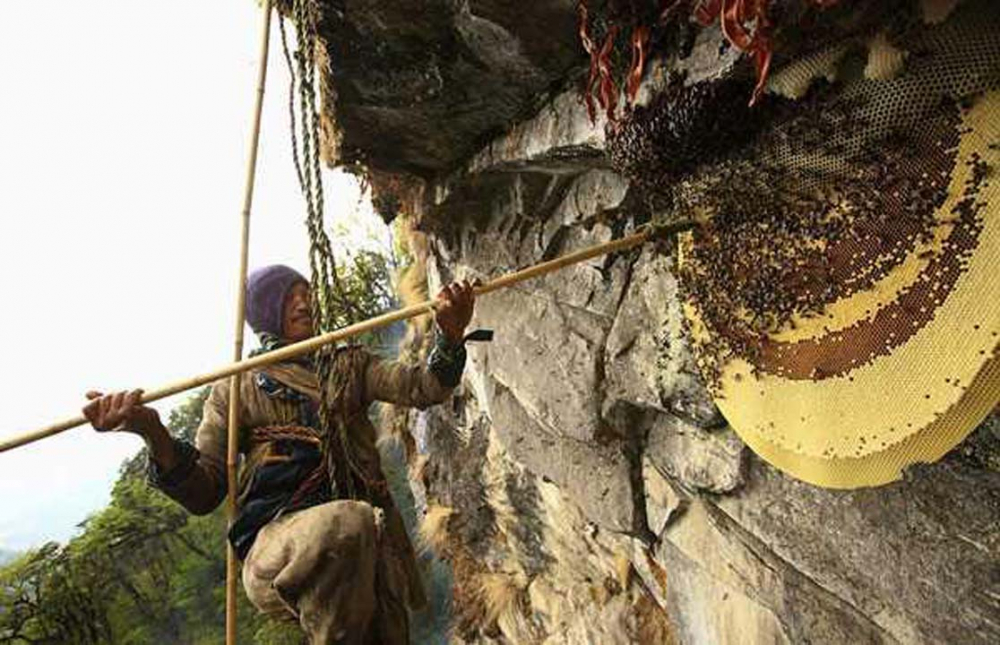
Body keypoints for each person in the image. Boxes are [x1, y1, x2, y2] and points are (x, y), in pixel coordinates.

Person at [83, 264, 477, 644]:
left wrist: (451, 336)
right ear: (265, 312)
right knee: (346, 522)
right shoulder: (234, 390)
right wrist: (152, 432)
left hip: (365, 551)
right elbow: (204, 493)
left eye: (306, 295)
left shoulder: (348, 365)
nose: (304, 304)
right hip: (277, 550)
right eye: (289, 298)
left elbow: (424, 387)